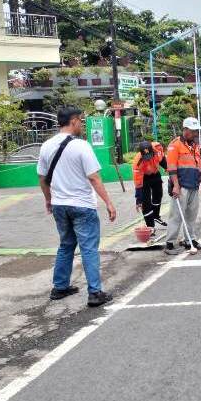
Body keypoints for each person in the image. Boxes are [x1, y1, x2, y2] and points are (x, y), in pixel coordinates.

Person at [37, 106, 116, 308]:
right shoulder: (81, 146)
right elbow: (94, 177)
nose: (81, 124)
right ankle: (95, 292)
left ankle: (60, 287)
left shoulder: (46, 145)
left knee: (66, 244)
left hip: (59, 205)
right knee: (89, 248)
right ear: (73, 121)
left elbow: (42, 177)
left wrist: (48, 199)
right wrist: (108, 202)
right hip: (82, 206)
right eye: (80, 120)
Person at [164, 117, 201, 255]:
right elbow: (171, 167)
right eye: (193, 131)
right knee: (176, 216)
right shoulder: (174, 145)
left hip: (194, 184)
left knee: (191, 215)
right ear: (185, 130)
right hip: (181, 186)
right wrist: (176, 186)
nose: (195, 133)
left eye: (196, 131)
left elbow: (198, 165)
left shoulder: (195, 145)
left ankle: (190, 240)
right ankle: (169, 244)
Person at [133, 140, 167, 234]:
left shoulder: (157, 149)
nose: (148, 159)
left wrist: (169, 170)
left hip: (155, 174)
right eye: (145, 157)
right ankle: (150, 227)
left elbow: (163, 160)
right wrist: (138, 198)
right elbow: (138, 182)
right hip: (144, 179)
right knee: (145, 203)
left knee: (158, 195)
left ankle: (156, 216)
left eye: (149, 156)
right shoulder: (138, 162)